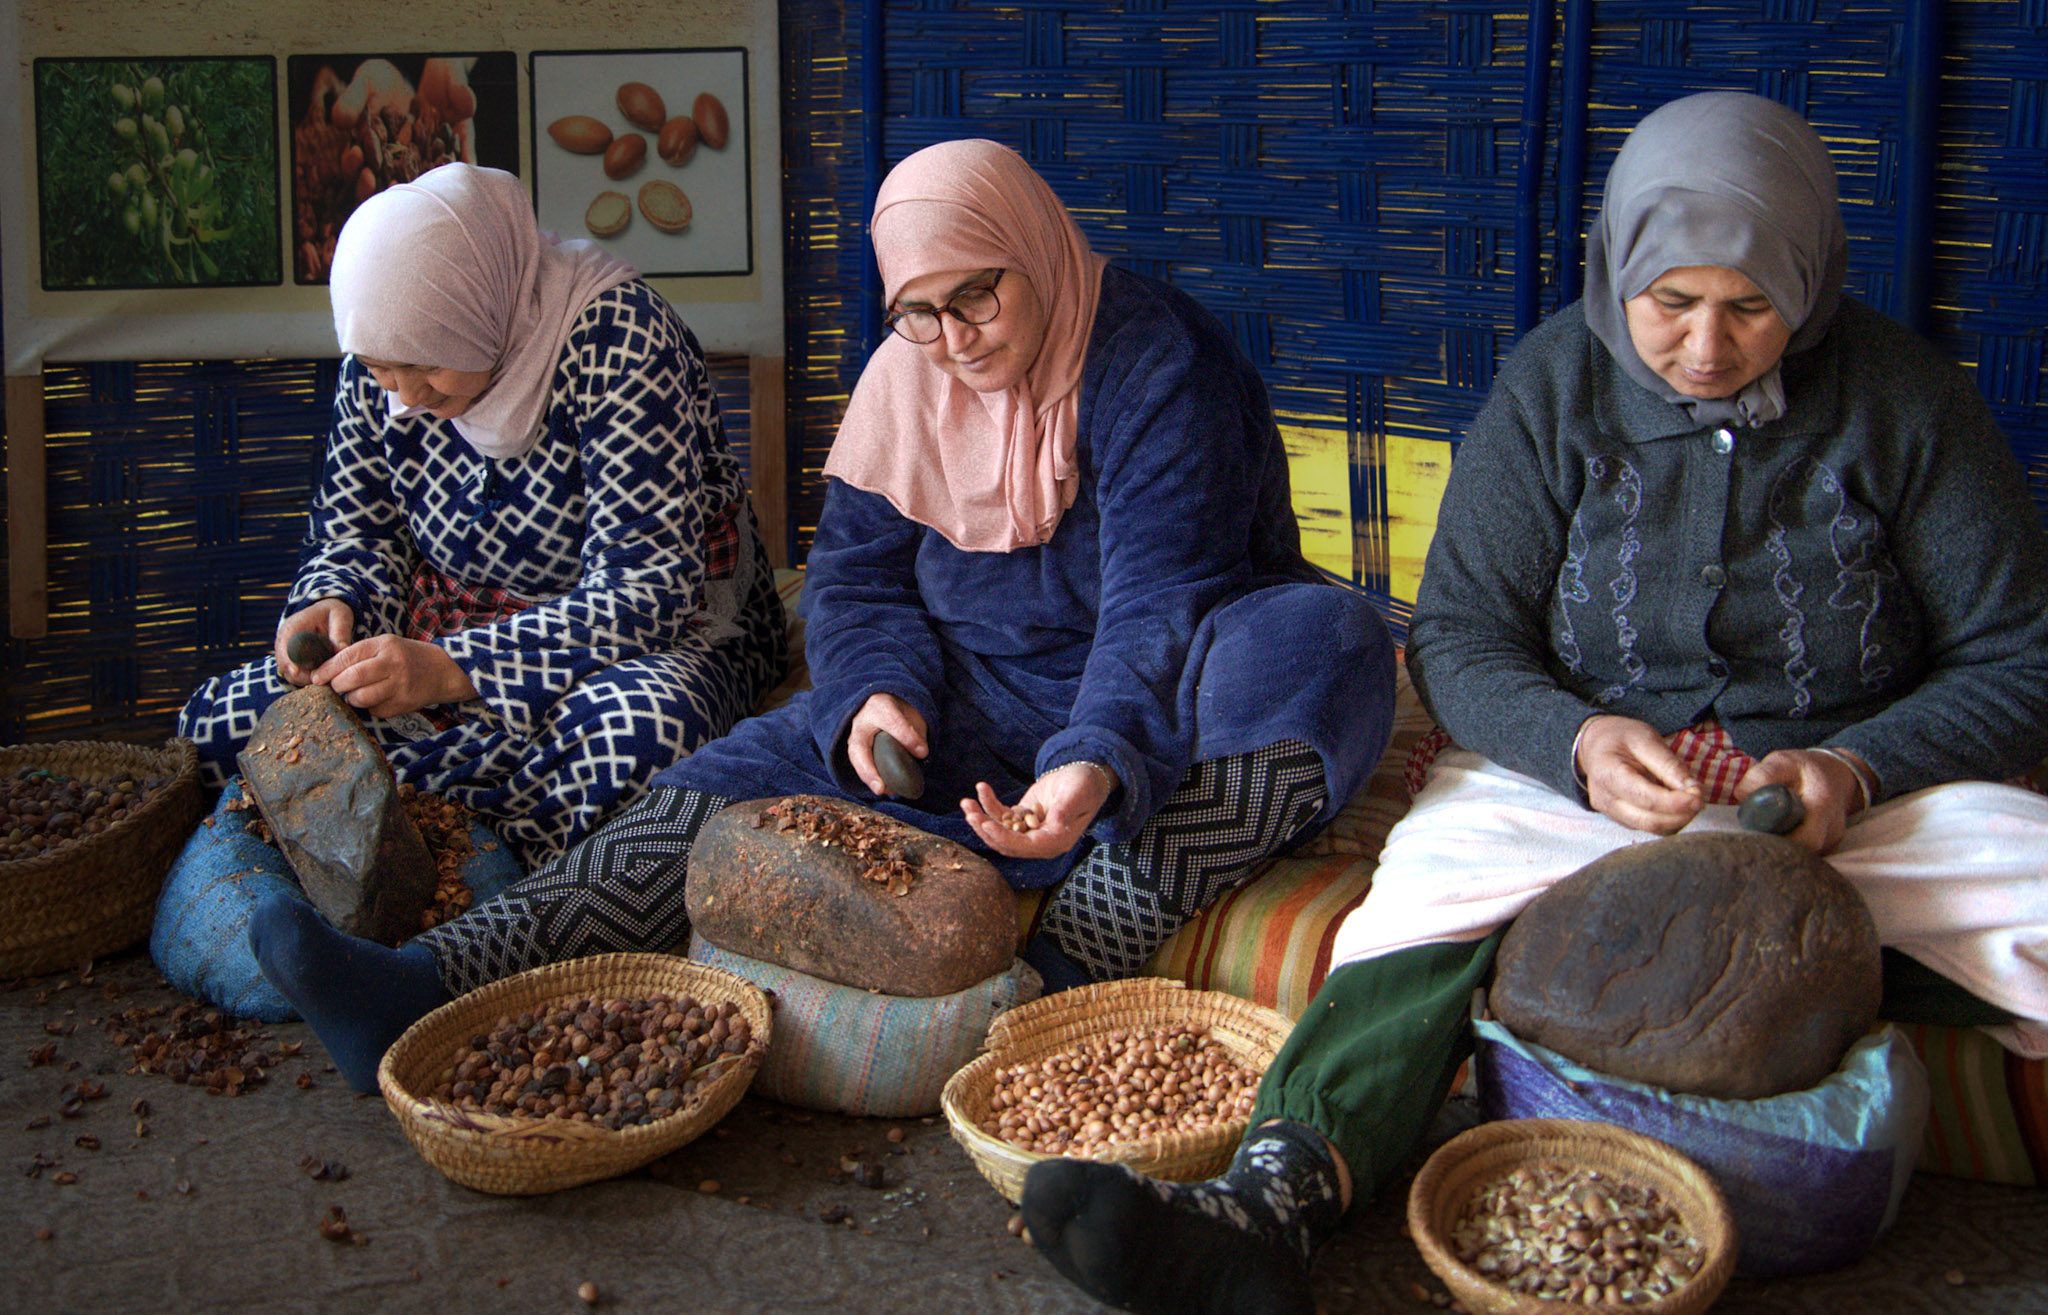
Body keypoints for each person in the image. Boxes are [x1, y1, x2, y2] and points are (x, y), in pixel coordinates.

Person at [1019, 91, 2048, 1314]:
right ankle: (1269, 1203)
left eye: (1749, 306)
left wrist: (1854, 768)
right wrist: (1575, 741)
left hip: (1841, 796)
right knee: (1414, 910)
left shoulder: (1903, 402)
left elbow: (2018, 655)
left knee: (2026, 884)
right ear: (1618, 270)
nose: (1705, 349)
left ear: (1812, 282)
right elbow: (1456, 634)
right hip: (1582, 790)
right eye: (1669, 303)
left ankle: (1784, 984)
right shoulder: (1552, 387)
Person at [245, 138, 1397, 1092]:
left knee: (1323, 644)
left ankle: (1068, 949)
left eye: (979, 294)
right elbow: (851, 578)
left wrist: (1091, 761)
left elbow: (1159, 599)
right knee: (726, 780)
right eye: (921, 313)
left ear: (1035, 249)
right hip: (967, 689)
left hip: (1162, 686)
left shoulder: (1157, 365)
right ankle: (424, 980)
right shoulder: (907, 375)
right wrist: (872, 695)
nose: (958, 339)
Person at [177, 163, 788, 867]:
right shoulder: (382, 350)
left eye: (425, 367)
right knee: (218, 726)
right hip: (445, 626)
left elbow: (644, 593)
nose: (403, 397)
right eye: (381, 371)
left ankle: (442, 868)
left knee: (642, 735)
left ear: (474, 307)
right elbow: (357, 528)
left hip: (650, 641)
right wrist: (332, 599)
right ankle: (446, 842)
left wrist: (452, 670)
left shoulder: (621, 339)